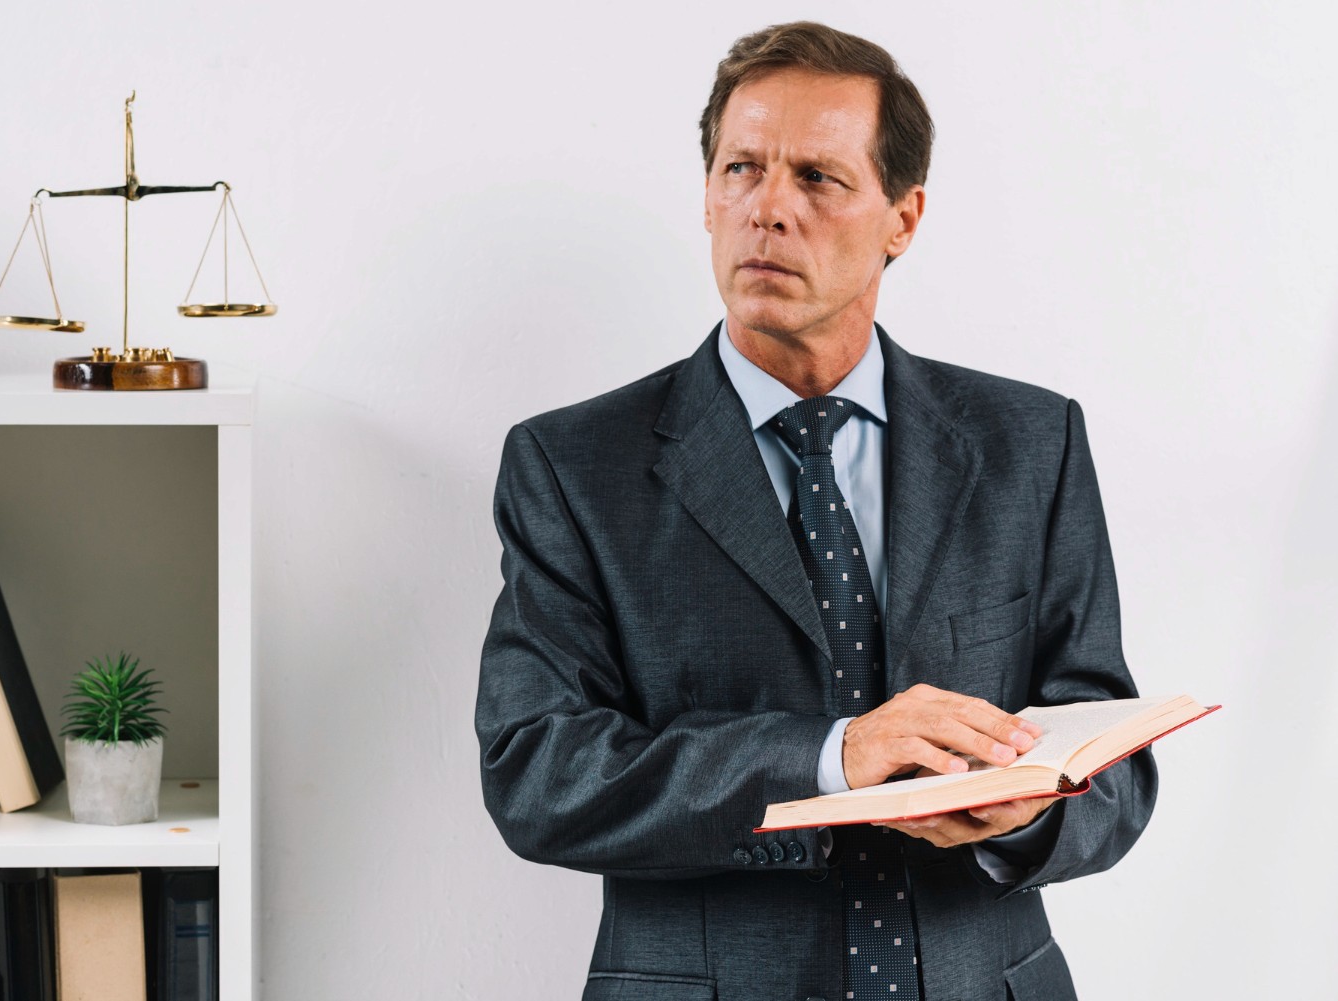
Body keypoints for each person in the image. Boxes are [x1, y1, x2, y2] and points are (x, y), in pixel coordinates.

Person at [476, 21, 1154, 1001]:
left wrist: (1028, 812)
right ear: (707, 197)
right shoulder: (574, 465)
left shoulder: (1029, 443)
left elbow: (1114, 764)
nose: (767, 209)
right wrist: (832, 756)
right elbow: (538, 774)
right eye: (741, 169)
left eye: (819, 179)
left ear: (902, 218)